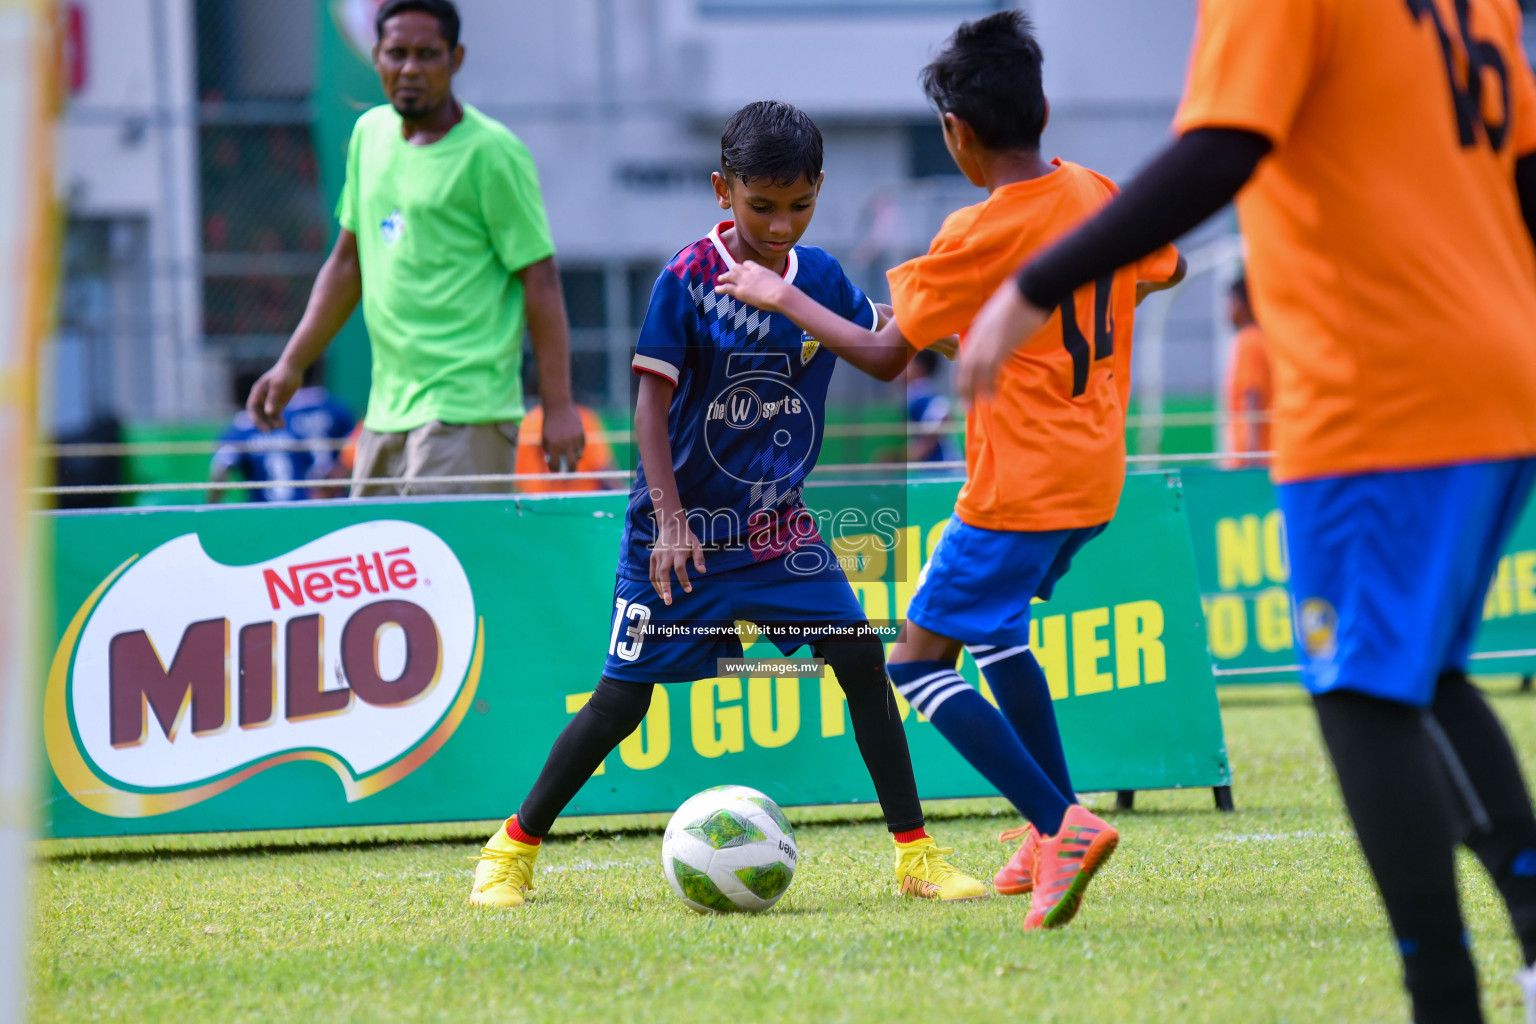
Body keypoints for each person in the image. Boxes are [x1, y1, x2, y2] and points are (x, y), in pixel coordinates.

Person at [958, 0, 1536, 1017]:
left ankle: (1447, 999)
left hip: (1383, 387)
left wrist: (1036, 282)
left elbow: (1226, 140)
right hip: (1500, 365)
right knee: (1425, 674)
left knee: (1362, 693)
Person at [715, 12, 1185, 930]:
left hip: (1018, 485)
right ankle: (1045, 833)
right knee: (1000, 631)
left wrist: (782, 293)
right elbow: (1158, 270)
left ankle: (1063, 823)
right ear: (1042, 107)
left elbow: (890, 355)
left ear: (955, 134)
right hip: (1095, 475)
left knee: (918, 664)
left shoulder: (979, 230)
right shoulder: (1096, 190)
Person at [468, 100, 985, 908]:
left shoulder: (817, 277)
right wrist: (671, 523)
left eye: (800, 205)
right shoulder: (687, 280)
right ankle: (512, 848)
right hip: (681, 535)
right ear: (722, 190)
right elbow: (648, 406)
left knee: (859, 662)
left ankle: (915, 857)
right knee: (618, 703)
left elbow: (876, 340)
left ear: (819, 190)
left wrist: (944, 328)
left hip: (779, 531)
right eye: (762, 206)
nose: (781, 225)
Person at [244, 0, 584, 497]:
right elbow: (345, 265)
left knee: (450, 566)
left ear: (456, 59)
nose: (410, 68)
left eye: (427, 54)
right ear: (375, 56)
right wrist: (292, 364)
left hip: (468, 411)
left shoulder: (492, 152)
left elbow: (542, 280)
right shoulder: (368, 136)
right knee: (375, 569)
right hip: (384, 414)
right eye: (396, 53)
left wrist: (558, 405)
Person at [209, 368, 355, 503]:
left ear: (233, 396)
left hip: (263, 510)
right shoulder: (285, 424)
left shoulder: (236, 432)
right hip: (303, 503)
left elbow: (221, 471)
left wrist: (213, 507)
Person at [514, 403, 621, 493]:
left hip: (575, 501)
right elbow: (605, 470)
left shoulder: (527, 422)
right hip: (547, 503)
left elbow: (603, 467)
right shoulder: (584, 418)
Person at [1223, 275, 1271, 466]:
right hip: (1266, 453)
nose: (1228, 310)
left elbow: (1252, 395)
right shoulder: (1263, 338)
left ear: (1244, 305)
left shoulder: (1248, 341)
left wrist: (1251, 456)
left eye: (1232, 302)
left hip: (1251, 457)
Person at [902, 349, 959, 465]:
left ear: (920, 368)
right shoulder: (913, 398)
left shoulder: (926, 399)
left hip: (942, 468)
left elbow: (943, 415)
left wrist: (911, 455)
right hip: (928, 468)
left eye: (907, 363)